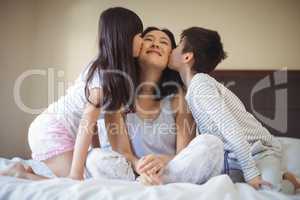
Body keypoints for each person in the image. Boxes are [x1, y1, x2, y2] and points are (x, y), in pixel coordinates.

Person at [0, 7, 143, 181]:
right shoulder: (103, 74)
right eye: (140, 35)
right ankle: (20, 174)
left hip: (58, 129)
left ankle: (25, 173)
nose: (142, 41)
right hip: (52, 129)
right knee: (74, 181)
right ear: (124, 38)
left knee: (81, 178)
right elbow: (88, 119)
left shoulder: (113, 76)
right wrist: (76, 174)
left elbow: (94, 124)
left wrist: (95, 149)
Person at [167, 26, 300, 193]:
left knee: (271, 193)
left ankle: (289, 180)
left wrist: (251, 173)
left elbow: (231, 129)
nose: (173, 49)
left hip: (260, 151)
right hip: (232, 159)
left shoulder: (200, 83)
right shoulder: (192, 90)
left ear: (187, 56)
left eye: (178, 45)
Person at [85, 27, 224, 185]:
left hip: (170, 171)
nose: (156, 44)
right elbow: (122, 152)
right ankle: (140, 183)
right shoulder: (118, 95)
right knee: (94, 157)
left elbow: (183, 154)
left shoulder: (179, 98)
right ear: (137, 49)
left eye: (163, 42)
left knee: (212, 145)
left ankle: (152, 184)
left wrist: (161, 161)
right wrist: (139, 165)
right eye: (149, 39)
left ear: (170, 57)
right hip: (131, 171)